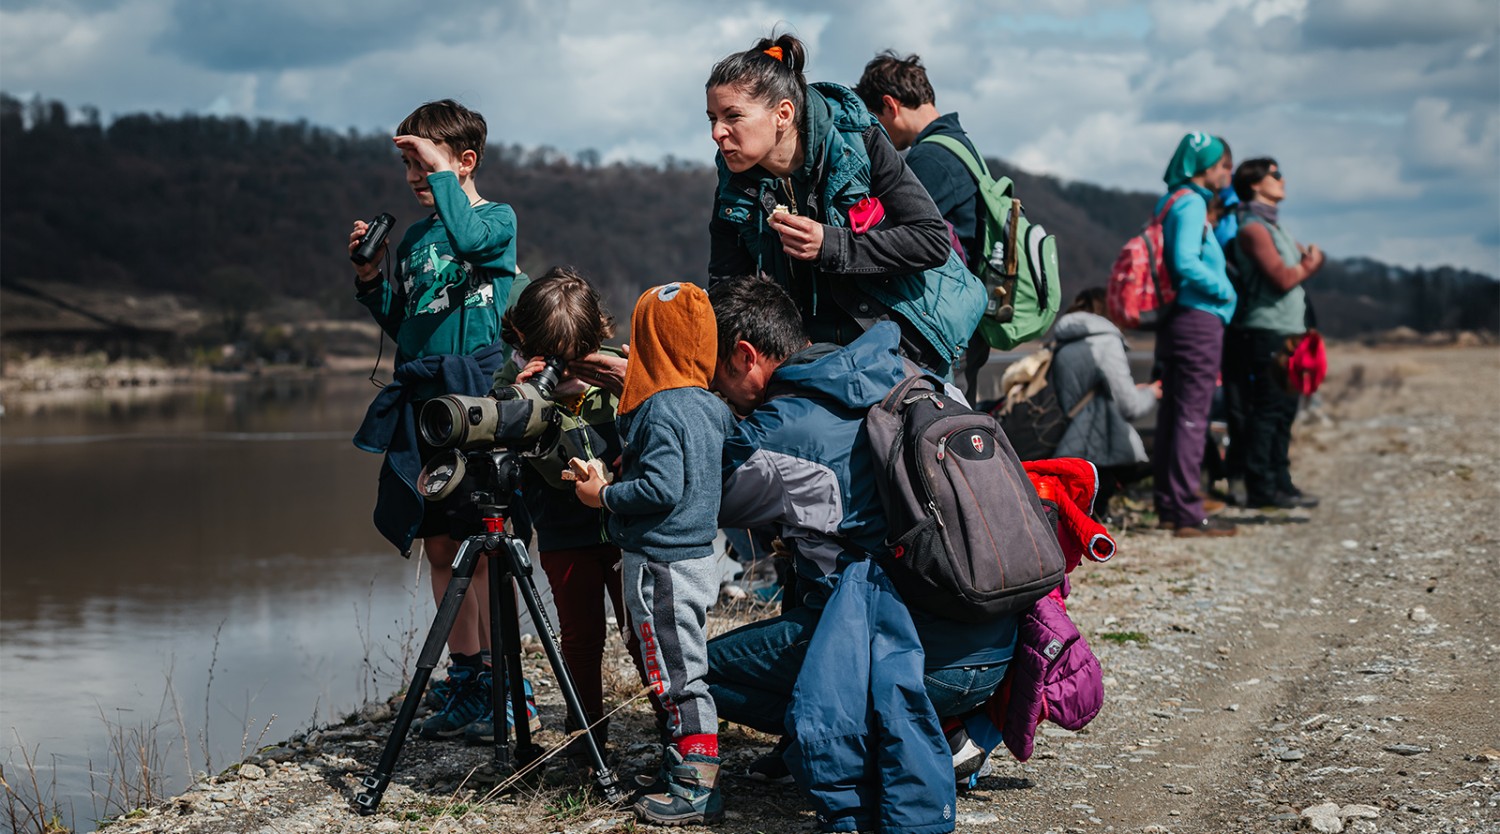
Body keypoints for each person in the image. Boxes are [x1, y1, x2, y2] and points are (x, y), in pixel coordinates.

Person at [705, 277, 1018, 809]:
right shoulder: (908, 374)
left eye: (710, 375)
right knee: (820, 571)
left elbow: (684, 499)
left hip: (921, 659)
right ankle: (947, 726)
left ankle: (885, 736)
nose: (711, 391)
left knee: (694, 670)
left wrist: (650, 393)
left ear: (744, 356)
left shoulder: (781, 434)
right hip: (994, 648)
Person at [348, 98, 527, 739]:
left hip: (474, 393)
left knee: (489, 544)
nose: (413, 177)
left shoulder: (494, 220)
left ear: (464, 162)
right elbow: (409, 324)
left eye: (422, 162)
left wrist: (443, 179)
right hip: (424, 399)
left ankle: (511, 688)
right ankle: (467, 680)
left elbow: (472, 241)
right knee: (442, 546)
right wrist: (374, 281)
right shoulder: (419, 238)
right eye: (406, 165)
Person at [706, 33, 982, 377]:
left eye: (732, 116)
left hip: (901, 351)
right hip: (809, 360)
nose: (718, 132)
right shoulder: (733, 182)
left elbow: (931, 240)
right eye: (712, 119)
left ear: (783, 113)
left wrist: (830, 245)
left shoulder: (858, 139)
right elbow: (726, 287)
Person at [572, 282, 736, 826]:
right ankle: (682, 765)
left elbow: (662, 488)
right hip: (693, 557)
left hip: (661, 564)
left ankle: (696, 781)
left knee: (676, 670)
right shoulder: (710, 405)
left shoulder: (662, 410)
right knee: (673, 661)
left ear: (650, 345)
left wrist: (605, 495)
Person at [481, 266, 643, 756]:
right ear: (524, 339)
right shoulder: (512, 383)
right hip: (562, 527)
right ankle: (586, 735)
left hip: (627, 525)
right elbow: (527, 463)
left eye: (578, 357)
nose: (568, 369)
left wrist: (629, 388)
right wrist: (539, 406)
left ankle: (675, 725)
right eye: (554, 358)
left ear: (597, 337)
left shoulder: (619, 370)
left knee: (641, 630)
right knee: (579, 635)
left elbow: (656, 439)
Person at [854, 50, 993, 397]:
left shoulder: (930, 159)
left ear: (890, 105)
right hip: (966, 319)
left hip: (943, 326)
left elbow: (904, 234)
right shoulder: (962, 147)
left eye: (875, 119)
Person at [1223, 158, 1325, 510]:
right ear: (1254, 184)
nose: (1283, 180)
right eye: (1275, 174)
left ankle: (1282, 483)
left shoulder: (1274, 227)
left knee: (1283, 412)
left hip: (1289, 331)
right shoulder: (1252, 228)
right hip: (1266, 330)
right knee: (1267, 411)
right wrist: (1310, 265)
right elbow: (1282, 278)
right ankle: (1261, 488)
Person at [1152, 132, 1238, 538]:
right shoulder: (1191, 203)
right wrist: (1226, 289)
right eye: (1223, 165)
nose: (1228, 174)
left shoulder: (1172, 201)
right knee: (1192, 417)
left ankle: (1171, 503)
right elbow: (1185, 261)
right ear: (1205, 166)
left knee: (1174, 414)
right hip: (1198, 319)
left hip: (1177, 320)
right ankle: (1186, 510)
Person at [1050, 288, 1161, 512]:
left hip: (1070, 441)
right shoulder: (1105, 343)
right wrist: (1151, 393)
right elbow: (1130, 406)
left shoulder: (1063, 344)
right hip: (1097, 447)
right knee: (1164, 452)